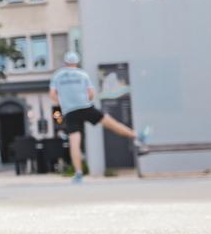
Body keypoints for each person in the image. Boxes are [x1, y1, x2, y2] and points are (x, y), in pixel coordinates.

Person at [50, 52, 144, 184]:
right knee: (112, 124)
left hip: (70, 111)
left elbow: (53, 95)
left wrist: (63, 103)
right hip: (86, 107)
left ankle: (78, 174)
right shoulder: (83, 74)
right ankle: (135, 135)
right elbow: (91, 94)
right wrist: (84, 100)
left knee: (74, 143)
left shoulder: (57, 76)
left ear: (65, 63)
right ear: (77, 62)